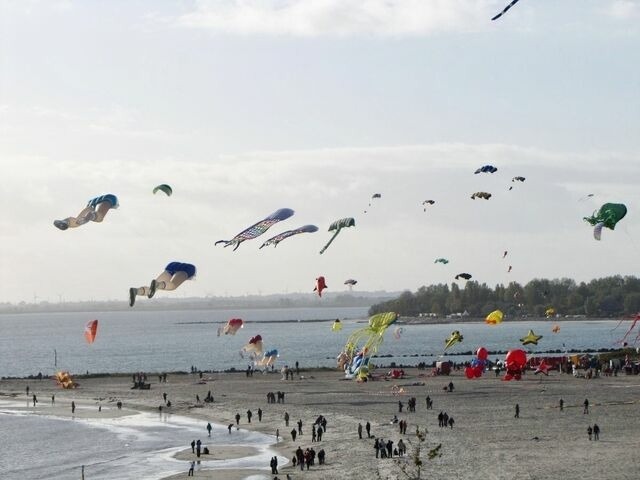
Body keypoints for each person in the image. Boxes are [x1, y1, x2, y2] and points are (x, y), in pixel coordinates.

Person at [129, 262, 197, 307]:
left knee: (152, 289)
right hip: (188, 268)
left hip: (172, 265)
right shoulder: (191, 271)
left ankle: (136, 291)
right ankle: (158, 284)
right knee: (173, 285)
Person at [54, 194, 119, 231]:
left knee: (91, 215)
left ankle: (66, 222)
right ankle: (65, 222)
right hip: (95, 204)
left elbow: (98, 216)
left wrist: (86, 219)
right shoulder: (94, 204)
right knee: (81, 218)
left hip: (102, 202)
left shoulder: (109, 200)